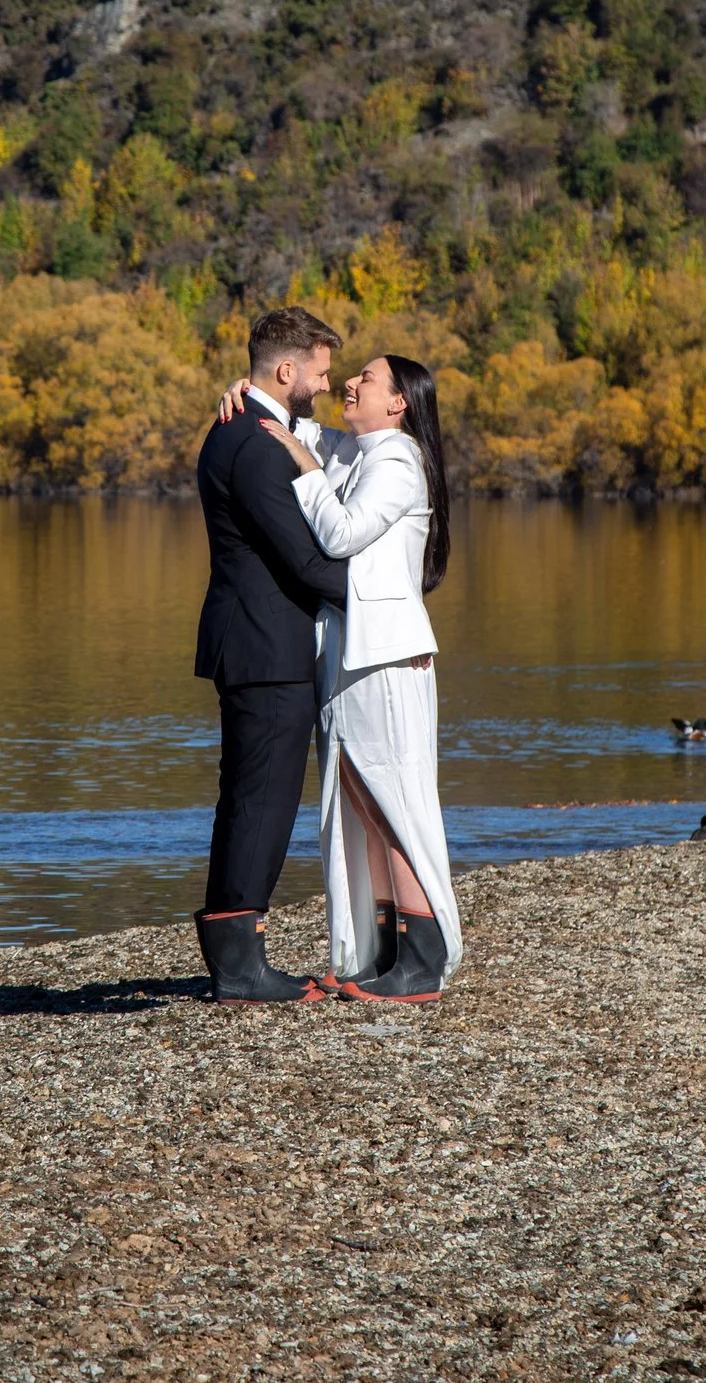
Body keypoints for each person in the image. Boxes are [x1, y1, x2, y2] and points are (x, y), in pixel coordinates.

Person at [222, 353, 460, 1002]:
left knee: (391, 798)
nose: (349, 384)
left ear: (398, 403)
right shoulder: (355, 448)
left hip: (386, 656)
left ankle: (423, 955)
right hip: (353, 653)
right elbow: (287, 425)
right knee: (360, 798)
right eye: (350, 375)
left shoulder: (399, 461)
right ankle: (387, 949)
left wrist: (305, 473)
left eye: (366, 379)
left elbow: (343, 535)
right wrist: (242, 390)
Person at [191, 307, 350, 1003]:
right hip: (264, 646)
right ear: (285, 370)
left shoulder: (244, 427)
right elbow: (308, 562)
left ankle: (238, 958)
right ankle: (240, 969)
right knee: (261, 801)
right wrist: (393, 599)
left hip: (255, 641)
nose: (323, 383)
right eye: (318, 371)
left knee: (249, 797)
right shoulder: (255, 445)